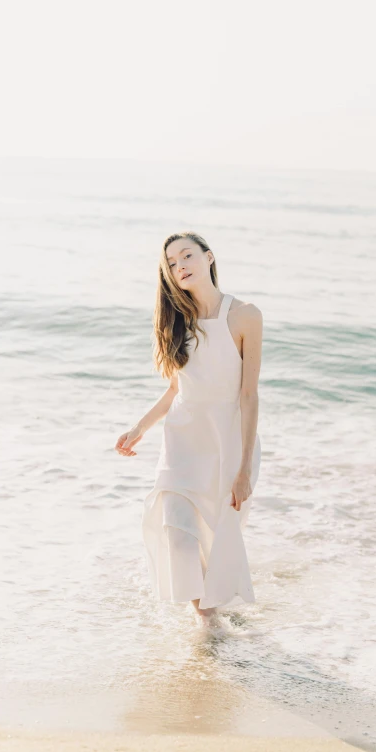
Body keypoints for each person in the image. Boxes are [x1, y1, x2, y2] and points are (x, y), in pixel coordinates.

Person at [115, 231, 262, 627]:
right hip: (181, 440)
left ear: (209, 257)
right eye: (173, 262)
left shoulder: (245, 315)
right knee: (178, 532)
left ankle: (214, 618)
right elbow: (176, 389)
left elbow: (249, 396)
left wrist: (244, 468)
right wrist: (139, 427)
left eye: (187, 256)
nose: (181, 266)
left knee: (217, 541)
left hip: (226, 441)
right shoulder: (177, 320)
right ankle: (207, 623)